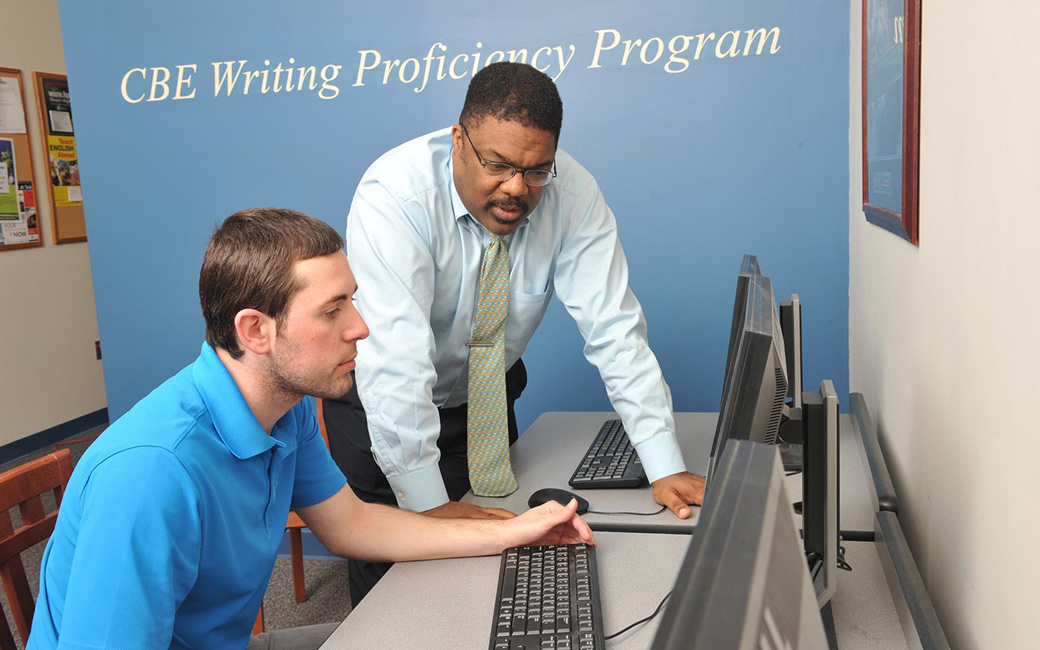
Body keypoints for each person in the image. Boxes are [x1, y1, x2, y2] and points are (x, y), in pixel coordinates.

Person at [27, 208, 594, 650]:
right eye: (333, 310)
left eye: (353, 301)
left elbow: (353, 525)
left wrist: (511, 533)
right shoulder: (150, 472)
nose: (361, 327)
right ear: (255, 330)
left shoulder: (285, 405)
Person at [324, 61, 705, 605]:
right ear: (459, 139)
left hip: (484, 401)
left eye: (536, 170)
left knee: (493, 574)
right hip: (386, 413)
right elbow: (397, 362)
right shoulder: (395, 195)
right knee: (400, 590)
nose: (516, 189)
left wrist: (665, 465)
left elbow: (615, 329)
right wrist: (430, 511)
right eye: (498, 165)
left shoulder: (572, 193)